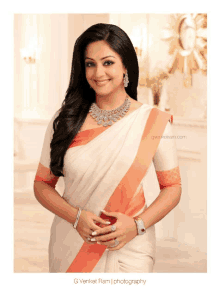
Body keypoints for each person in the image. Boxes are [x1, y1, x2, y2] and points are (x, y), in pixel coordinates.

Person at [34, 23, 182, 273]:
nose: (98, 72)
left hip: (131, 249)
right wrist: (76, 218)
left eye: (108, 62)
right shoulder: (66, 120)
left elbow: (172, 187)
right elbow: (41, 184)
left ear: (125, 65)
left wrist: (137, 226)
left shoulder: (152, 121)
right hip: (72, 245)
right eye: (90, 63)